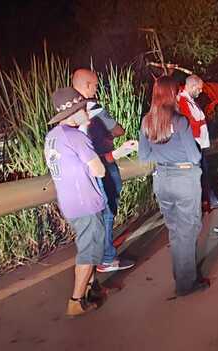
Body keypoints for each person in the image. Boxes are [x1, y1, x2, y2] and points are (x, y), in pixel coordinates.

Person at [139, 76, 210, 296]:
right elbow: (194, 157)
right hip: (184, 178)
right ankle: (186, 283)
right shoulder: (180, 121)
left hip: (162, 179)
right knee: (188, 230)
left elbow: (144, 156)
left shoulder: (146, 121)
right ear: (172, 93)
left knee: (175, 229)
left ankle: (181, 275)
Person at [45, 87, 107, 317]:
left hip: (70, 203)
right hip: (86, 203)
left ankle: (91, 289)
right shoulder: (77, 136)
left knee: (87, 247)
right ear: (75, 111)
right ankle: (76, 300)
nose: (88, 112)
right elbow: (99, 171)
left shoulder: (52, 137)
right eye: (84, 107)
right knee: (89, 252)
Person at [72, 68, 136, 273]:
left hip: (84, 169)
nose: (97, 89)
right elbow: (118, 129)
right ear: (88, 85)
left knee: (100, 213)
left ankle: (102, 254)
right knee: (108, 209)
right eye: (96, 85)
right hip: (103, 163)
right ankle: (107, 258)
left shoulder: (70, 110)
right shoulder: (92, 106)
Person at [177, 74, 218, 210]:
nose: (201, 91)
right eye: (199, 88)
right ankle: (206, 202)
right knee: (199, 175)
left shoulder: (189, 100)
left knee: (202, 174)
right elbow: (189, 124)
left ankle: (207, 201)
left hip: (197, 144)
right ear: (191, 86)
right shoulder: (183, 102)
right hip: (193, 145)